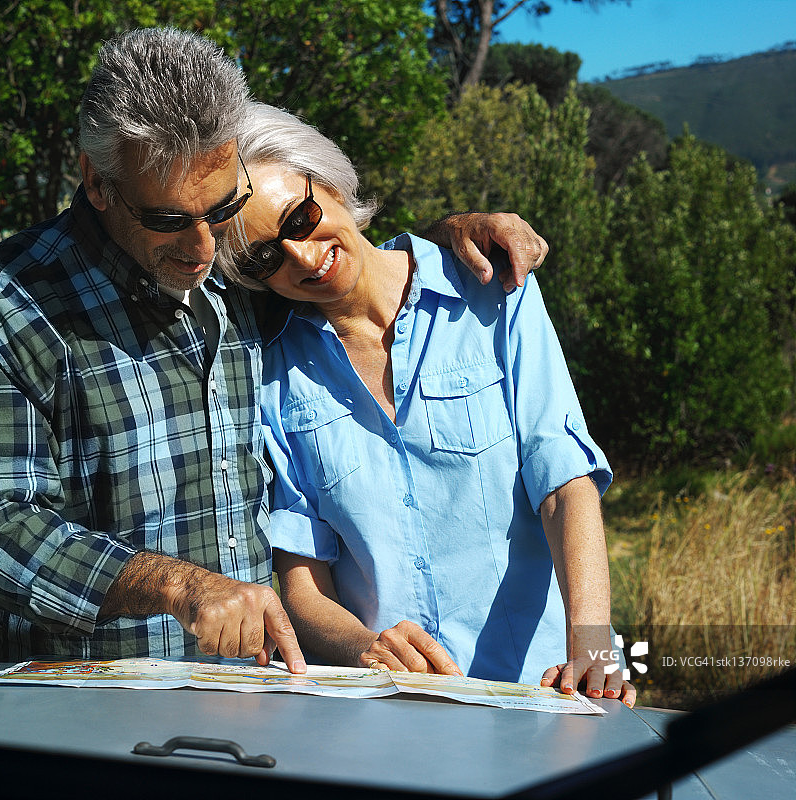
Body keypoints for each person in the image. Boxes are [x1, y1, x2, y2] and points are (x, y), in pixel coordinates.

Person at [0, 27, 547, 665]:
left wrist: (452, 235)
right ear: (97, 182)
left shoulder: (244, 272)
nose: (204, 250)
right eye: (170, 219)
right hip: (95, 716)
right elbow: (6, 525)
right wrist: (178, 587)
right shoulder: (15, 309)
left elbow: (330, 255)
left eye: (222, 208)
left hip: (268, 710)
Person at [220, 103, 635, 705]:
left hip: (544, 693)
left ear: (332, 185)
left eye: (302, 217)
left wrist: (593, 646)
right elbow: (304, 585)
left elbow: (563, 479)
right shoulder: (272, 374)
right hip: (393, 714)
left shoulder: (495, 288)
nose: (304, 258)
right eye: (266, 256)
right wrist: (367, 651)